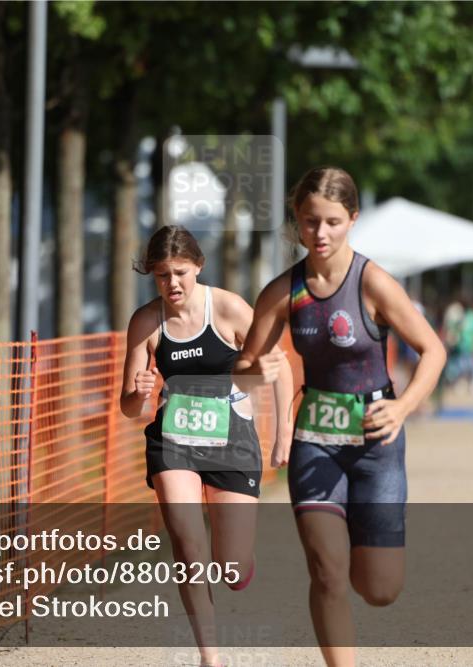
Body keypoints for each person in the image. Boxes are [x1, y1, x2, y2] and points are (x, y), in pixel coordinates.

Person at [235, 167, 445, 666]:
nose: (320, 233)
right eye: (310, 222)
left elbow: (432, 350)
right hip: (316, 443)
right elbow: (243, 368)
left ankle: (367, 542)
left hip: (377, 444)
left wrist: (402, 406)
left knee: (380, 588)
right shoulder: (283, 291)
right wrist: (256, 368)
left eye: (332, 221)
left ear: (352, 219)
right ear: (297, 220)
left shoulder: (372, 282)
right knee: (327, 573)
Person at [119, 225, 294, 667]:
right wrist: (138, 393)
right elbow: (128, 408)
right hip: (173, 440)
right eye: (161, 275)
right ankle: (209, 656)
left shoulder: (230, 310)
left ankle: (239, 564)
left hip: (232, 438)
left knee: (230, 568)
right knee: (186, 541)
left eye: (179, 272)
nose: (172, 283)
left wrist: (284, 436)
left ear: (198, 266)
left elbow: (280, 366)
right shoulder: (146, 322)